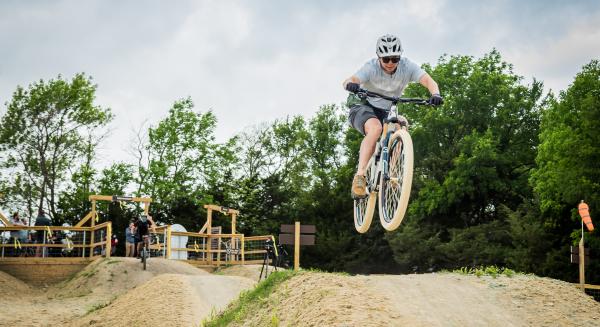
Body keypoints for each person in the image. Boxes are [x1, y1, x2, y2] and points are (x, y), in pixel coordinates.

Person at [343, 34, 443, 199]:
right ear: (379, 57)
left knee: (401, 125)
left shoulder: (407, 66)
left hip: (385, 109)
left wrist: (435, 94)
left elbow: (428, 80)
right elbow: (351, 79)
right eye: (386, 59)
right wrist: (351, 84)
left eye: (394, 59)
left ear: (400, 57)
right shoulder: (371, 67)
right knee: (375, 128)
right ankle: (360, 177)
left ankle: (390, 170)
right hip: (362, 105)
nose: (390, 63)